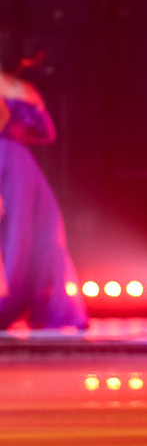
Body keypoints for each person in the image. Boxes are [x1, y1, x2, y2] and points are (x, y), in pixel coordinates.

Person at [0, 64, 87, 329]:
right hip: (17, 162)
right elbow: (45, 133)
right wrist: (13, 134)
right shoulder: (22, 89)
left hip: (8, 164)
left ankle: (7, 301)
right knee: (28, 232)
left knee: (18, 232)